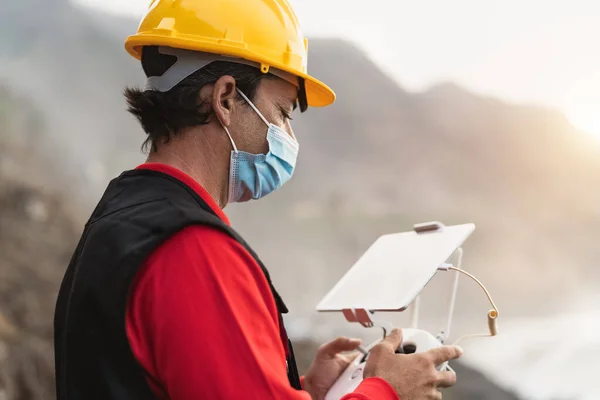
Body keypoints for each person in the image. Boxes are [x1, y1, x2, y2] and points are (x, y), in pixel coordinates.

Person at [53, 0, 463, 399]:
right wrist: (387, 391)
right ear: (226, 98)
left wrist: (300, 390)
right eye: (283, 112)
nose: (288, 136)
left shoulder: (122, 213)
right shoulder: (195, 250)